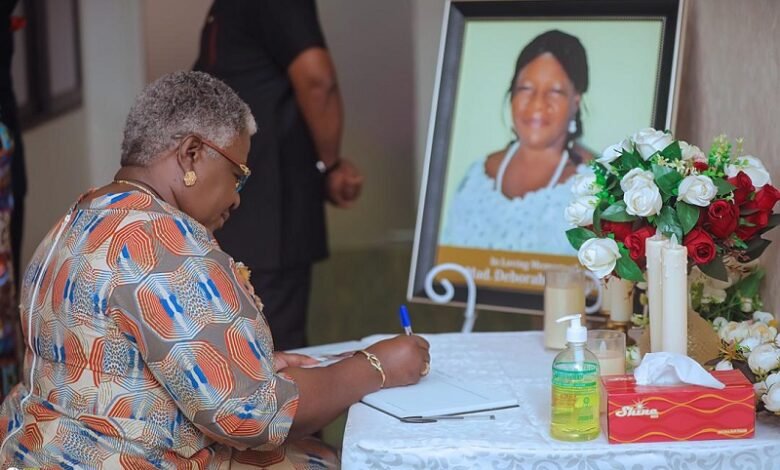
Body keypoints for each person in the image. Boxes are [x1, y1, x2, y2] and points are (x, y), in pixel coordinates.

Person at [0, 71, 429, 468]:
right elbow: (252, 418)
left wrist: (243, 364)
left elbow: (117, 368)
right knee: (339, 460)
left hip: (41, 453)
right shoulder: (162, 241)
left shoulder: (81, 217)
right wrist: (374, 367)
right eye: (237, 175)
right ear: (190, 155)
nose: (238, 197)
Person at [194, 0, 363, 351]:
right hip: (249, 207)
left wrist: (327, 166)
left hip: (263, 209)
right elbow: (313, 80)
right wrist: (329, 167)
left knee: (264, 349)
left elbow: (317, 80)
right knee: (255, 350)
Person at [441, 30, 593, 255]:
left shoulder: (596, 183)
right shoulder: (476, 176)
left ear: (575, 101)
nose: (537, 103)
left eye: (555, 91)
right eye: (526, 88)